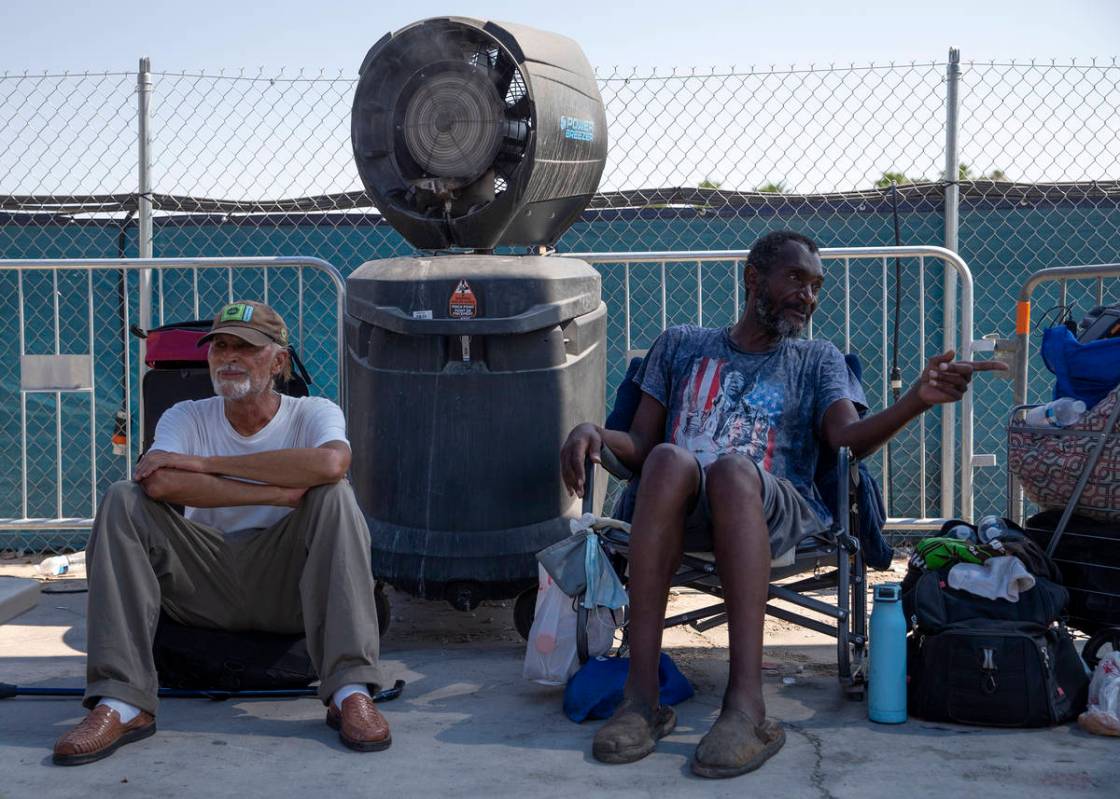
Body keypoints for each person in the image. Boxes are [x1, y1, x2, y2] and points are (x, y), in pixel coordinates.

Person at [559, 230, 1007, 779]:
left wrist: (915, 399)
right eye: (796, 279)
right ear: (753, 279)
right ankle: (641, 699)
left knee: (731, 470)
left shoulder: (816, 359)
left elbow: (849, 439)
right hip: (681, 508)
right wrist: (595, 433)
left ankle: (747, 707)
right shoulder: (680, 344)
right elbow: (643, 443)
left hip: (777, 506)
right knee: (671, 460)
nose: (809, 296)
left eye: (816, 285)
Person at [52, 300, 390, 766]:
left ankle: (350, 691)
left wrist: (205, 464)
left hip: (285, 583)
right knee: (122, 499)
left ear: (278, 362)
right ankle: (122, 702)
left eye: (245, 348)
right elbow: (160, 480)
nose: (228, 357)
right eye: (220, 347)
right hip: (201, 579)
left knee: (334, 497)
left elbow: (330, 464)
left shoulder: (312, 412)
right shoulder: (186, 415)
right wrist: (278, 493)